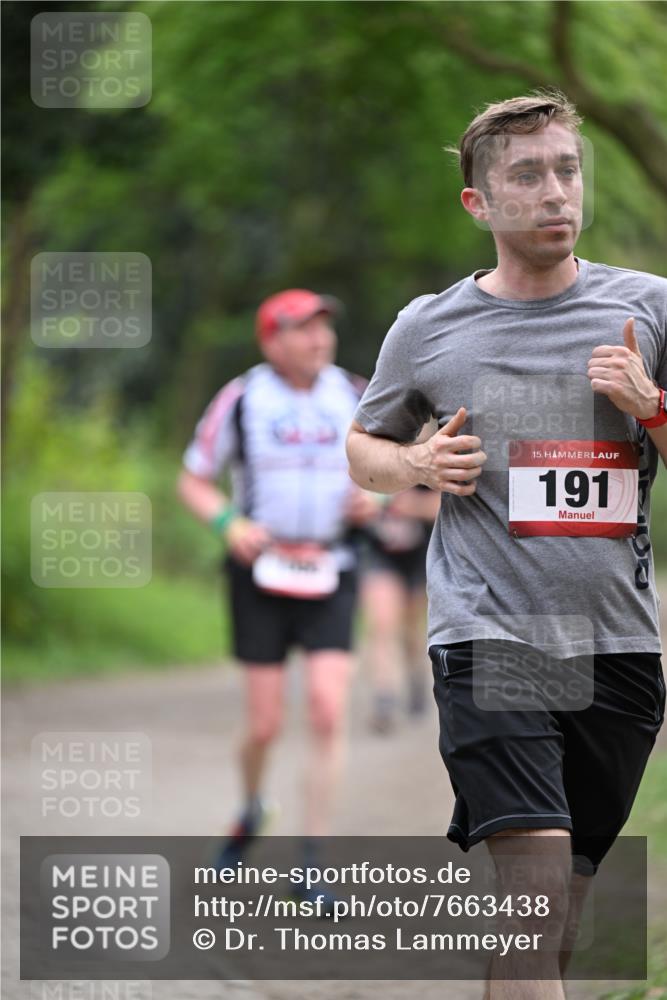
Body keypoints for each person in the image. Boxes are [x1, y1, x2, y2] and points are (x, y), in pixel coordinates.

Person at [346, 91, 666, 998]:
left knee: (554, 919)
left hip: (617, 648)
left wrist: (652, 409)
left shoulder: (649, 309)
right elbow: (362, 449)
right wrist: (415, 460)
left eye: (566, 170)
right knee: (530, 894)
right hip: (493, 637)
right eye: (525, 175)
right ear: (478, 204)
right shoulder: (429, 328)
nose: (554, 191)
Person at [178, 289, 377, 902]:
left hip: (332, 567)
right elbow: (194, 478)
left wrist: (380, 498)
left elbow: (398, 465)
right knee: (264, 724)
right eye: (303, 329)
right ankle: (250, 809)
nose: (319, 338)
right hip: (261, 574)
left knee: (325, 708)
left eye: (324, 327)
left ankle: (315, 859)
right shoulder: (241, 398)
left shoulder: (357, 393)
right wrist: (227, 525)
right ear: (271, 341)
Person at [359, 481, 440, 733]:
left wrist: (413, 505)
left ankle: (416, 677)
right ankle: (385, 698)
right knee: (381, 625)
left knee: (410, 628)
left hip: (419, 554)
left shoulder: (426, 447)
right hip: (379, 553)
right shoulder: (364, 449)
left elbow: (449, 503)